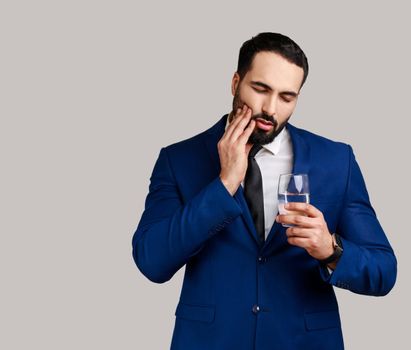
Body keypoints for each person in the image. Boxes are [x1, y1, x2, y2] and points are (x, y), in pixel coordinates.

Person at [132, 32, 397, 350]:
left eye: (287, 97)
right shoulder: (179, 159)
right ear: (235, 83)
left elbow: (384, 271)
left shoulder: (336, 161)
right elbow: (152, 261)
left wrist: (331, 249)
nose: (271, 109)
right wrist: (224, 184)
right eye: (260, 89)